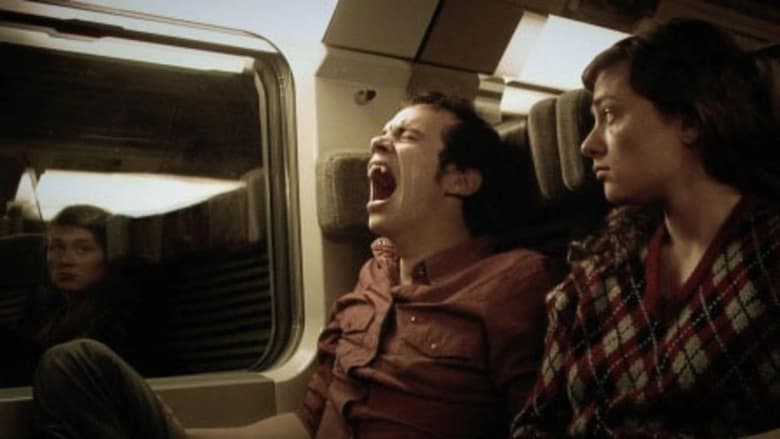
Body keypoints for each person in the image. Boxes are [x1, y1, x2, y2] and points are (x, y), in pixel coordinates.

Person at [32, 92, 563, 438]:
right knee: (75, 365)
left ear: (461, 180)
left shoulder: (515, 283)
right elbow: (307, 422)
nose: (377, 141)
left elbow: (538, 426)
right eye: (384, 131)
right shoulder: (372, 278)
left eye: (406, 135)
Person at [511, 19, 780, 437]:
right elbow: (535, 424)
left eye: (609, 114)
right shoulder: (596, 273)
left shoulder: (769, 251)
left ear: (690, 120)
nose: (588, 145)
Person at [3, 204, 166, 386]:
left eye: (83, 249)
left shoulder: (122, 318)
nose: (65, 260)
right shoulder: (40, 309)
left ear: (108, 257)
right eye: (56, 248)